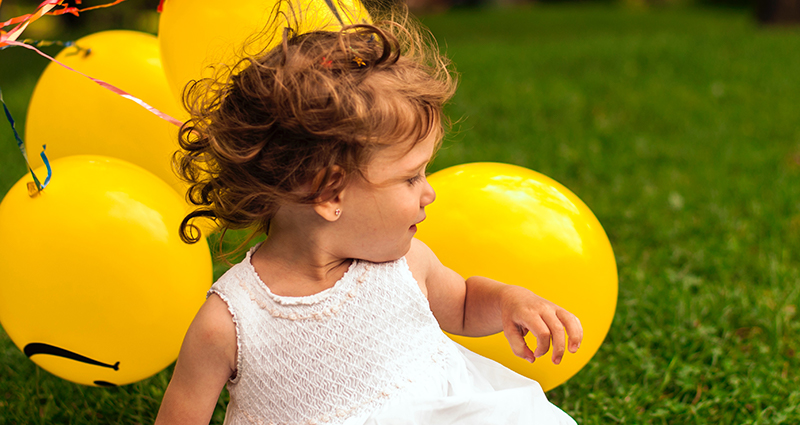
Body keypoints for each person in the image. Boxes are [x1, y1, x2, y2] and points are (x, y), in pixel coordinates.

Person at [155, 11, 583, 425]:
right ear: (329, 192)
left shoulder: (405, 264)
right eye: (411, 177)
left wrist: (510, 302)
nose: (429, 192)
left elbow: (465, 303)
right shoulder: (230, 321)